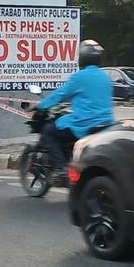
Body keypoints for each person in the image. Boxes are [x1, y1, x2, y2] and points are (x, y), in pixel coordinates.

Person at [34, 39, 115, 184]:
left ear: (82, 57)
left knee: (48, 131)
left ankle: (61, 169)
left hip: (85, 123)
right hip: (106, 124)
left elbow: (59, 95)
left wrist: (41, 106)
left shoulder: (80, 77)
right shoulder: (105, 77)